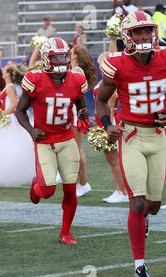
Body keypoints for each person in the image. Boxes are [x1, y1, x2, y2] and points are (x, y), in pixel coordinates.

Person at [96, 11, 166, 277]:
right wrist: (106, 124)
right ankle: (140, 267)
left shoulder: (164, 58)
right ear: (127, 36)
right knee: (136, 202)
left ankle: (145, 217)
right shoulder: (118, 65)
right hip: (132, 135)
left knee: (154, 206)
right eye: (138, 32)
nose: (144, 36)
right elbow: (101, 100)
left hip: (159, 136)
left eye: (147, 31)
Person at [16, 37, 89, 246]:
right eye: (55, 58)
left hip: (66, 139)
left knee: (70, 188)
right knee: (47, 190)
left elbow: (81, 104)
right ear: (46, 59)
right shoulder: (35, 79)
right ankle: (36, 186)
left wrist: (83, 113)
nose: (60, 62)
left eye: (63, 57)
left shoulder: (75, 79)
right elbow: (20, 111)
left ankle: (65, 232)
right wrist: (31, 131)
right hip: (44, 140)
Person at [0, 63, 35, 187]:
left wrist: (1, 114)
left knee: (6, 146)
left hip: (10, 119)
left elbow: (14, 105)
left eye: (4, 71)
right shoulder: (12, 86)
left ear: (7, 74)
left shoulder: (10, 86)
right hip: (10, 119)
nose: (1, 73)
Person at [93, 52, 128, 204]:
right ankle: (120, 190)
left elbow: (111, 108)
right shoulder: (103, 82)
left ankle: (123, 191)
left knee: (115, 160)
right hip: (103, 123)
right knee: (112, 160)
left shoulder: (110, 84)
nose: (101, 67)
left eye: (103, 64)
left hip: (109, 124)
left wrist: (107, 127)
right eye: (100, 64)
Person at [70, 46, 97, 197]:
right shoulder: (76, 70)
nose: (68, 53)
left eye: (71, 52)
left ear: (75, 56)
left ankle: (83, 183)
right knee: (75, 149)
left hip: (75, 113)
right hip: (75, 112)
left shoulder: (76, 71)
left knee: (77, 150)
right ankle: (79, 183)